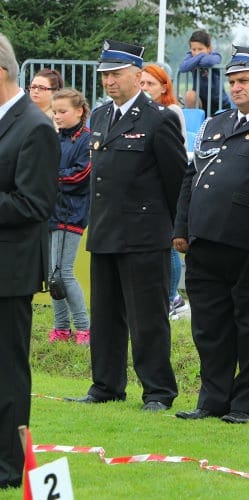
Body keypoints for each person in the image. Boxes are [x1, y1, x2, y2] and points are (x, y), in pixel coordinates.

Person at [69, 40, 186, 411]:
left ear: (138, 74)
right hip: (104, 231)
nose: (109, 81)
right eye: (104, 75)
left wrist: (175, 229)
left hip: (143, 235)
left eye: (116, 74)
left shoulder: (158, 119)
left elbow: (176, 181)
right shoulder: (101, 117)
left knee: (147, 319)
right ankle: (105, 385)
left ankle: (157, 391)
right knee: (104, 317)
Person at [173, 47, 249, 424]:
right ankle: (212, 400)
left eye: (244, 81)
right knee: (210, 327)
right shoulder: (215, 124)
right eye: (232, 81)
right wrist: (182, 227)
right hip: (205, 239)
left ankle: (245, 404)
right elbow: (192, 176)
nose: (236, 87)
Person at [0, 32, 58, 489]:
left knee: (8, 371)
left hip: (9, 270)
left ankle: (7, 468)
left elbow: (33, 204)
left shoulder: (34, 127)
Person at [140, 63, 190, 318]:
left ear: (163, 86)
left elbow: (175, 153)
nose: (145, 88)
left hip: (165, 185)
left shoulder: (171, 111)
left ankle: (172, 296)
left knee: (170, 244)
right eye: (143, 83)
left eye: (150, 84)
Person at [47, 88, 92, 346]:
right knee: (53, 274)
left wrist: (52, 175)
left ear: (79, 111)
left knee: (64, 273)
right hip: (53, 212)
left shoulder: (87, 139)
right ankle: (61, 328)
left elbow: (79, 175)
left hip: (71, 214)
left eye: (63, 112)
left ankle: (83, 328)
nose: (58, 117)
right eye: (55, 112)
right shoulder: (56, 137)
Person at [179, 29, 231, 115]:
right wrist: (201, 55)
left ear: (209, 48)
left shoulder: (215, 55)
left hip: (219, 102)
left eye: (200, 49)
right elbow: (183, 67)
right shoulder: (190, 55)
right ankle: (195, 126)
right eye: (193, 49)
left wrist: (195, 60)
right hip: (201, 101)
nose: (196, 52)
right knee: (189, 95)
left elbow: (208, 62)